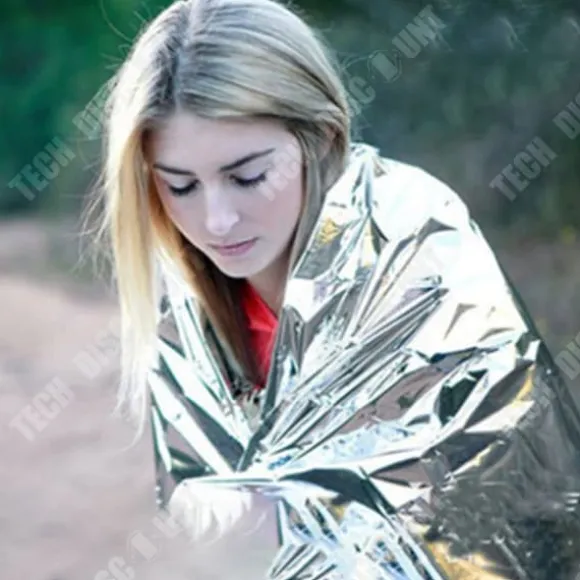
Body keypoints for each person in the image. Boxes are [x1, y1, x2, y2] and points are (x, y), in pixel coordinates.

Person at [92, 0, 580, 578]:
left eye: (248, 176)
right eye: (180, 186)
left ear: (321, 138)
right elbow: (198, 515)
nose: (217, 220)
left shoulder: (416, 245)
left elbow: (503, 507)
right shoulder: (183, 307)